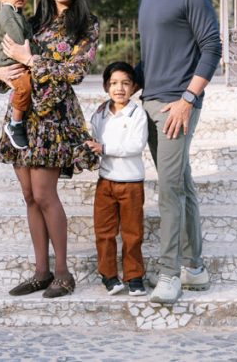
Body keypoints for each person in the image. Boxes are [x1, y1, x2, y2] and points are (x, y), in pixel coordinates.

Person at [0, 0, 99, 299]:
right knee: (28, 196)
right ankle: (41, 271)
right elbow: (0, 64)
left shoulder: (86, 25)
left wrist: (30, 59)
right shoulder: (30, 21)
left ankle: (63, 273)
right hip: (21, 117)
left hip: (53, 119)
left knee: (44, 194)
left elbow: (74, 73)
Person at [134, 0, 221, 304]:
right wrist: (122, 89)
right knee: (181, 184)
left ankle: (169, 274)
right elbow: (152, 57)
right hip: (150, 101)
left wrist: (188, 99)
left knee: (168, 188)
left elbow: (212, 48)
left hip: (176, 105)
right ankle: (195, 268)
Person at [86, 61, 149, 297]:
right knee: (104, 232)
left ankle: (134, 277)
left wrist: (103, 148)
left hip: (131, 182)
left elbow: (135, 145)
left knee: (132, 234)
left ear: (134, 87)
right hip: (105, 182)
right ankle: (109, 276)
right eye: (113, 83)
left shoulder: (137, 113)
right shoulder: (100, 113)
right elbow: (93, 140)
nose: (119, 88)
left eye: (125, 83)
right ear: (105, 86)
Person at [0, 0, 35, 149]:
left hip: (15, 58)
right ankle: (14, 124)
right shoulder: (8, 14)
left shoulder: (17, 13)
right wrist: (32, 53)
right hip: (8, 61)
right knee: (24, 87)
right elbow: (18, 39)